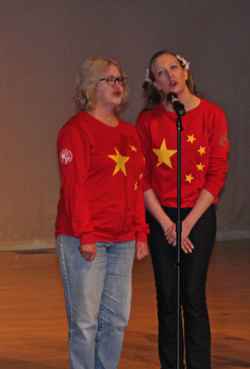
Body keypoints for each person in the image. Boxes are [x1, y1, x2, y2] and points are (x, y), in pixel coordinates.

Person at [136, 51, 229, 369]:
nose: (168, 75)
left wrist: (187, 224)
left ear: (186, 72)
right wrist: (166, 223)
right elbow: (142, 177)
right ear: (156, 84)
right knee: (167, 298)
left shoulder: (213, 114)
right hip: (161, 217)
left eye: (173, 67)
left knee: (192, 295)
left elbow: (217, 173)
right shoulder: (147, 121)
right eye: (160, 72)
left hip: (198, 217)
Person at [55, 56, 149, 369]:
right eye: (110, 79)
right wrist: (85, 233)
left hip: (122, 239)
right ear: (91, 86)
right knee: (85, 323)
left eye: (120, 79)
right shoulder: (76, 130)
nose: (118, 85)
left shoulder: (129, 132)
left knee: (117, 320)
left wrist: (140, 231)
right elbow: (74, 187)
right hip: (84, 237)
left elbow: (136, 185)